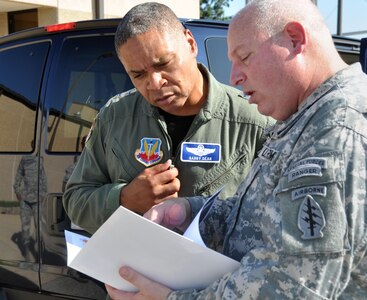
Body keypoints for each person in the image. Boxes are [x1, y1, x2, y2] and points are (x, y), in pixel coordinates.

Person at [105, 0, 367, 299]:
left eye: (244, 57)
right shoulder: (306, 118)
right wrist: (190, 212)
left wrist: (170, 299)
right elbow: (260, 215)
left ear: (295, 40)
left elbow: (295, 286)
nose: (235, 77)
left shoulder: (338, 130)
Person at [63, 2, 272, 234]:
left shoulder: (256, 120)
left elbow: (279, 213)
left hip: (219, 271)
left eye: (163, 64)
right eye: (138, 74)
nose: (154, 83)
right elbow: (76, 201)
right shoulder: (114, 118)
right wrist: (124, 198)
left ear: (190, 44)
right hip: (135, 268)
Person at [13, 140, 48, 261]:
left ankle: (39, 255)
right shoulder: (25, 159)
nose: (36, 147)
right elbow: (18, 175)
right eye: (35, 145)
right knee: (25, 227)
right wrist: (17, 191)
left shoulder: (41, 160)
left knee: (39, 228)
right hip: (26, 200)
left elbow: (43, 179)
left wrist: (43, 194)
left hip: (38, 200)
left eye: (38, 145)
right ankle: (26, 253)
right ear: (32, 146)